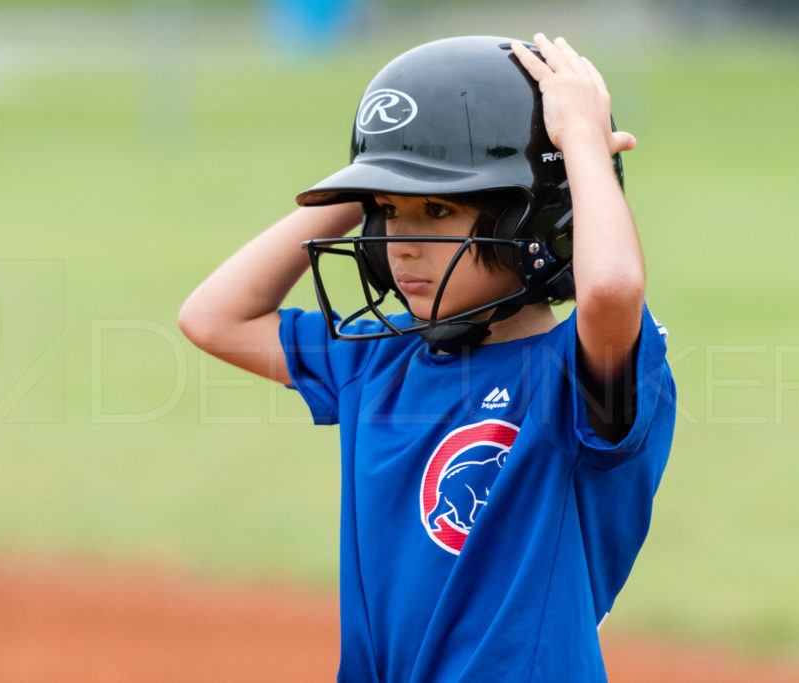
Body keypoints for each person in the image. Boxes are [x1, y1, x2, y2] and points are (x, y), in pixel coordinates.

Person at [180, 33, 676, 682]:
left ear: (539, 224)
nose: (400, 244)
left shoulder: (574, 379)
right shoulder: (378, 359)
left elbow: (610, 289)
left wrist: (579, 140)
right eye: (388, 213)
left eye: (438, 209)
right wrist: (361, 189)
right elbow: (212, 317)